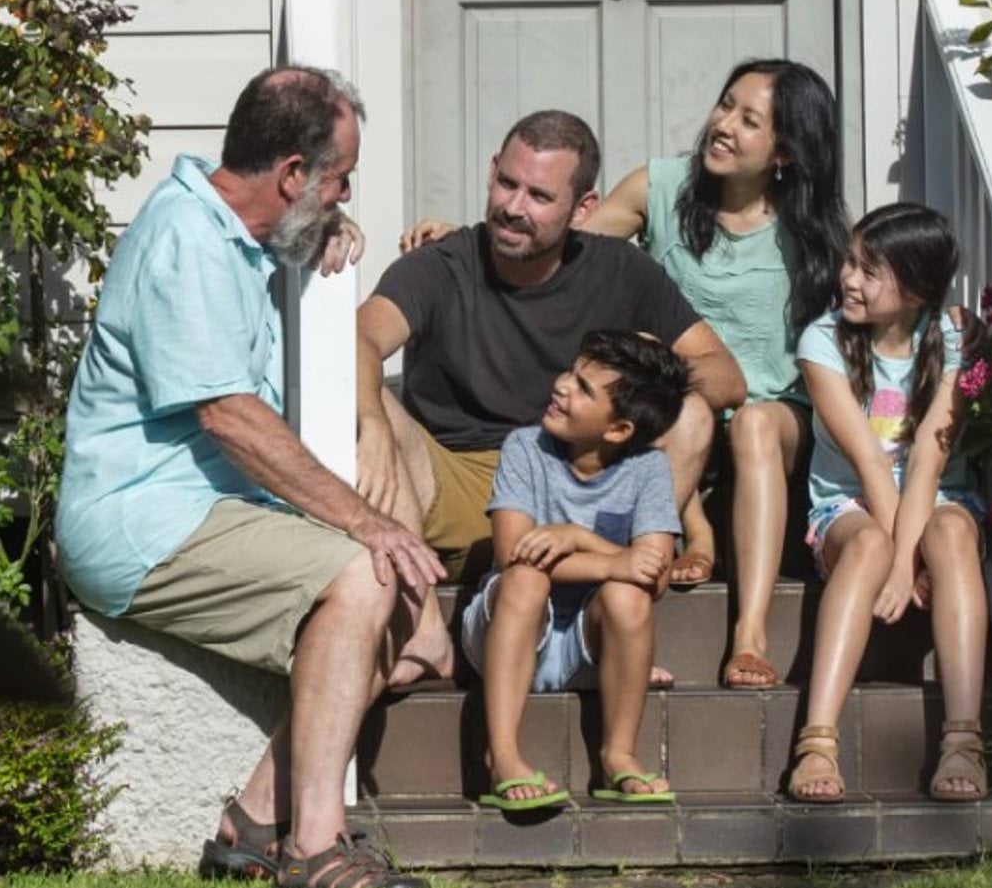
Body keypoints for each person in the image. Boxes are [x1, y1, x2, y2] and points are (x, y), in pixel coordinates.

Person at [55, 66, 442, 888]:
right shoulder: (185, 242)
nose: (344, 196)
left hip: (205, 509)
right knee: (362, 569)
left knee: (404, 619)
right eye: (338, 181)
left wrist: (322, 230)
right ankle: (313, 845)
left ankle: (253, 820)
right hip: (140, 518)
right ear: (292, 174)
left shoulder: (235, 228)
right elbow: (225, 414)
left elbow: (286, 240)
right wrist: (366, 523)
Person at [402, 60, 847, 692]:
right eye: (725, 106)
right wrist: (471, 242)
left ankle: (748, 630)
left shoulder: (815, 231)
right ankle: (631, 579)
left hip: (770, 416)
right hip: (670, 409)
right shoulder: (660, 187)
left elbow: (874, 300)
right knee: (664, 395)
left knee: (746, 422)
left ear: (786, 152)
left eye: (749, 121)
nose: (723, 125)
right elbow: (565, 241)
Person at [355, 110, 745, 612]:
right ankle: (418, 618)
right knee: (371, 399)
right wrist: (372, 423)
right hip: (459, 483)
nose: (514, 207)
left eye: (539, 197)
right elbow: (360, 336)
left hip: (583, 488)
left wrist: (632, 373)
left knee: (688, 409)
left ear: (583, 208)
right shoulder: (438, 265)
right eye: (507, 184)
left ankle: (625, 596)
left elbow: (726, 377)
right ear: (492, 170)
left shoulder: (622, 270)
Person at [789, 203, 988, 804]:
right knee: (871, 543)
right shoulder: (822, 342)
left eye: (870, 271)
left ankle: (963, 739)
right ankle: (816, 740)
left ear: (917, 287)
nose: (850, 279)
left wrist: (913, 560)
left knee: (951, 535)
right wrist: (898, 561)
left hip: (939, 499)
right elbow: (872, 466)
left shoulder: (952, 336)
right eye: (851, 262)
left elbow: (929, 453)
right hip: (848, 505)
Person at [464, 330, 689, 809]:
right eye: (571, 371)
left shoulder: (648, 468)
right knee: (526, 577)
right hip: (508, 629)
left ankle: (618, 754)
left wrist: (578, 538)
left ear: (618, 430)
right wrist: (610, 557)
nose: (563, 385)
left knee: (629, 595)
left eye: (584, 388)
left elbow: (656, 573)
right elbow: (510, 553)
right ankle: (501, 755)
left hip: (589, 650)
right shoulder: (526, 446)